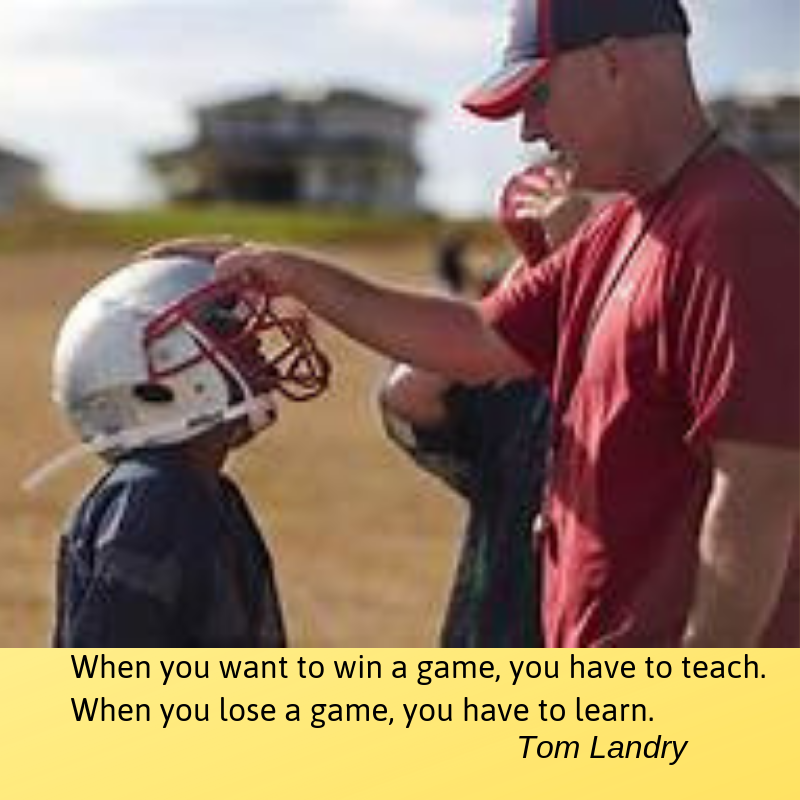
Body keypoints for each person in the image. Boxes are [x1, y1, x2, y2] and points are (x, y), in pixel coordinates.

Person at [150, 0, 799, 647]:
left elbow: (760, 490)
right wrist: (284, 270)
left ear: (612, 62)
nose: (528, 131)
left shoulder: (734, 228)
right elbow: (476, 338)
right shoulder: (624, 225)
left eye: (539, 94)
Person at [45, 255, 330, 646]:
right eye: (230, 335)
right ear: (156, 381)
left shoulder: (207, 491)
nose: (258, 349)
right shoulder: (153, 498)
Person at [378, 165, 591, 648]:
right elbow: (407, 394)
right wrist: (528, 279)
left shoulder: (641, 362)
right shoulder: (516, 381)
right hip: (502, 622)